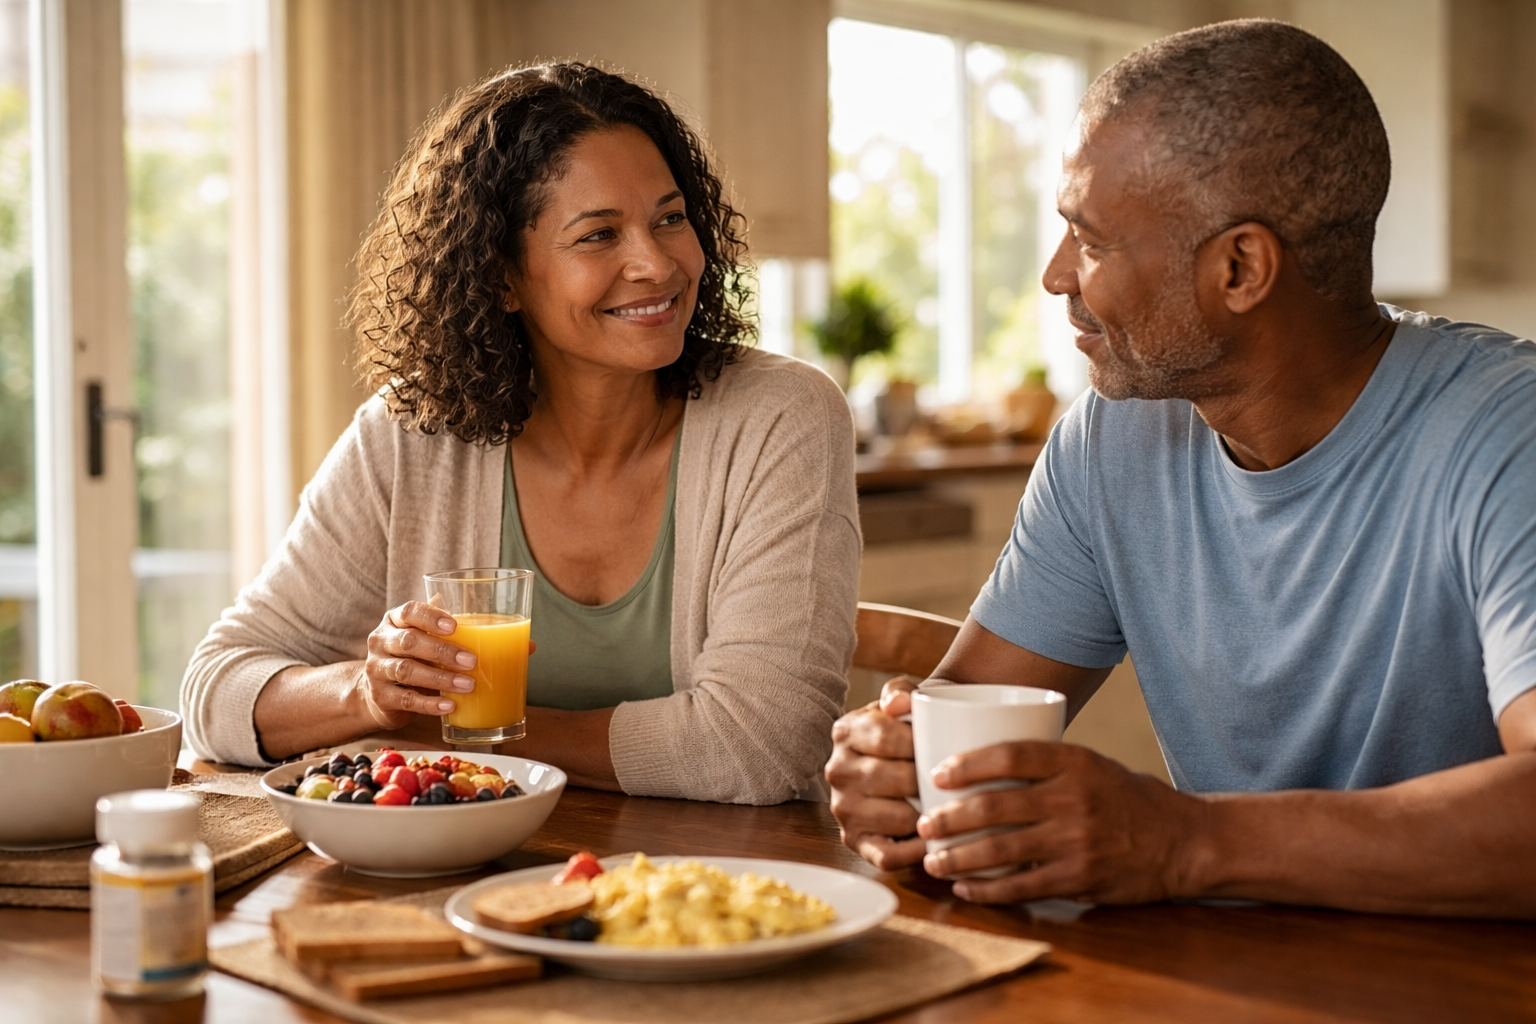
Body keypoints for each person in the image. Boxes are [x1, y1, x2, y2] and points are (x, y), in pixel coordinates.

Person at [827, 19, 1536, 916]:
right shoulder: (1110, 442)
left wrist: (1187, 841)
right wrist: (897, 772)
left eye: (1088, 240)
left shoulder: (1508, 433)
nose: (1054, 278)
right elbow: (964, 711)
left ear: (1240, 268)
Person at [182, 62, 860, 805]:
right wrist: (368, 699)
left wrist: (456, 732)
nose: (658, 262)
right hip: (451, 880)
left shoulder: (781, 418)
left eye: (670, 218)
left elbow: (764, 743)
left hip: (706, 887)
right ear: (500, 276)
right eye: (599, 235)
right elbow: (214, 691)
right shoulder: (411, 434)